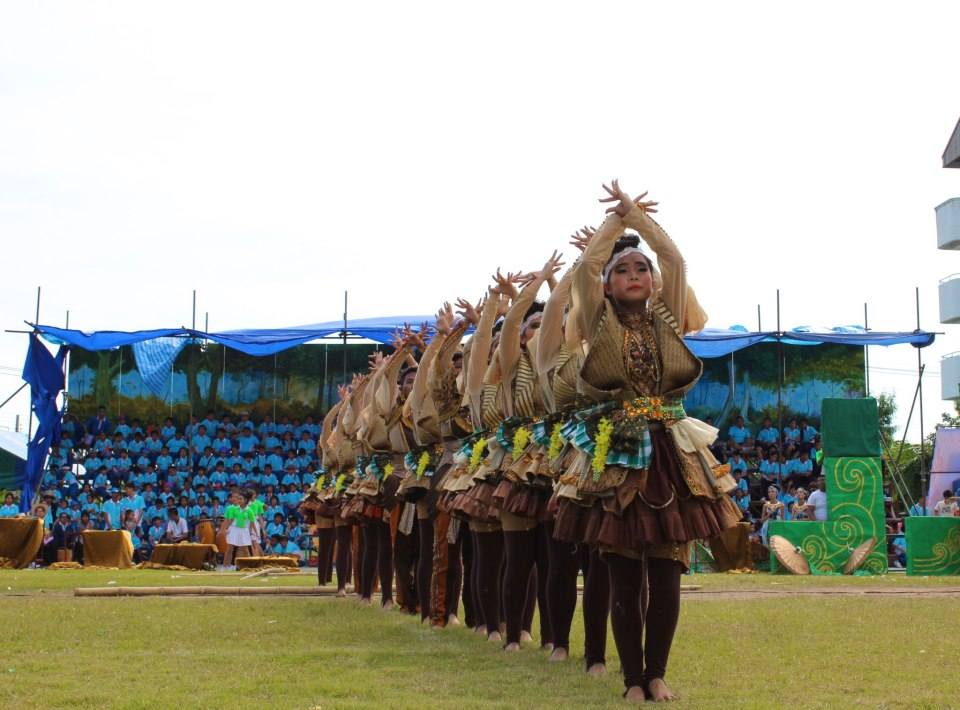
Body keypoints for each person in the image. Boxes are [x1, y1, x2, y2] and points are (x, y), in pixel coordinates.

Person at [551, 182, 740, 703]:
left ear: (653, 283)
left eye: (641, 269)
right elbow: (586, 270)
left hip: (671, 451)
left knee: (667, 568)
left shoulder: (669, 316)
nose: (634, 275)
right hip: (618, 448)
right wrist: (615, 223)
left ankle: (656, 673)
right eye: (622, 271)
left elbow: (674, 260)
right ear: (608, 287)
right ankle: (631, 679)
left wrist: (639, 217)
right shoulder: (599, 321)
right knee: (624, 572)